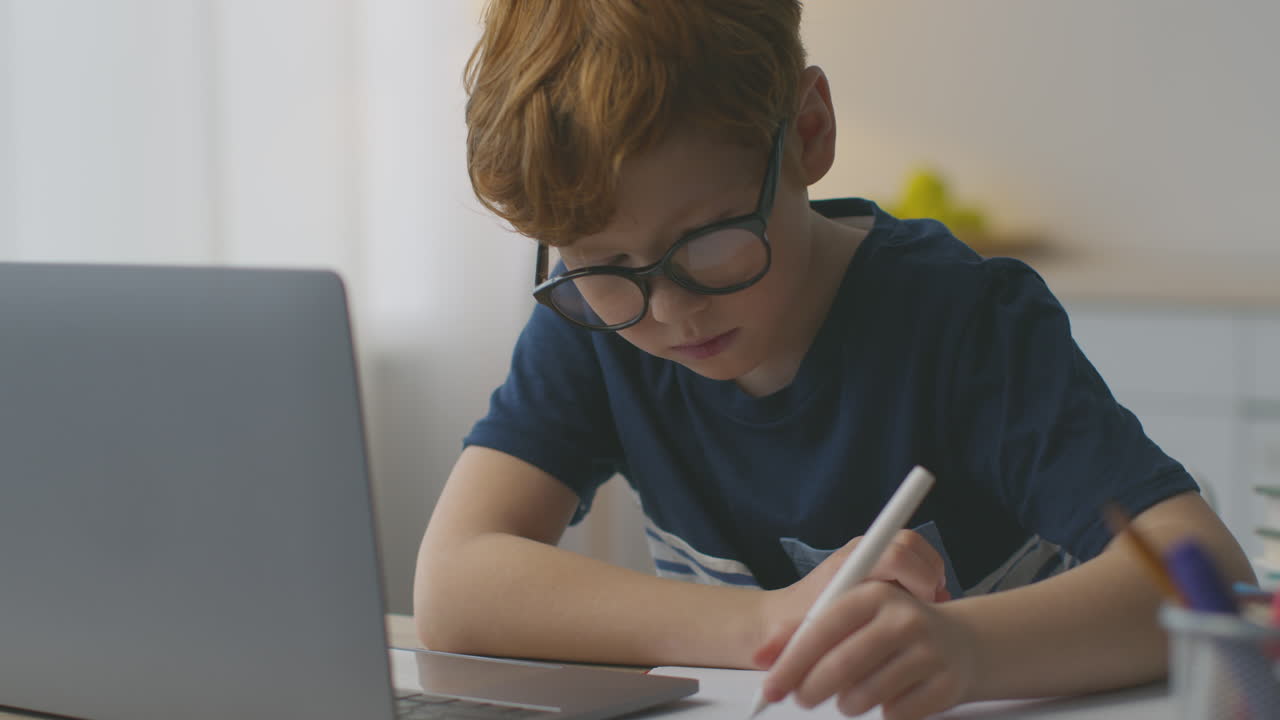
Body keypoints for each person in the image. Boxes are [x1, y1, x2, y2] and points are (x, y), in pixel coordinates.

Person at [414, 2, 1254, 718]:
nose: (667, 308)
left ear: (809, 132)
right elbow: (455, 583)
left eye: (706, 242)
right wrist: (767, 623)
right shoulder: (594, 320)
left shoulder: (961, 320)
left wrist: (964, 649)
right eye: (600, 263)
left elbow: (1205, 573)